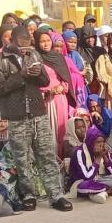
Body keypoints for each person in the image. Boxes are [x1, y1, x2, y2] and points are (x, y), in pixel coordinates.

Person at [0, 26, 72, 212]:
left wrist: (39, 74)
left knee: (47, 154)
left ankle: (56, 195)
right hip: (16, 116)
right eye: (21, 46)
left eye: (27, 46)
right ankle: (28, 194)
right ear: (12, 41)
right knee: (22, 158)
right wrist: (21, 76)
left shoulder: (33, 54)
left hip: (38, 113)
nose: (24, 49)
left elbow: (45, 82)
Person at [34, 29, 77, 158]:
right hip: (45, 100)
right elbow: (32, 82)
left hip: (59, 99)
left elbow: (66, 79)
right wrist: (47, 91)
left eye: (48, 40)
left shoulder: (58, 58)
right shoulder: (34, 58)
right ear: (36, 43)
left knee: (61, 130)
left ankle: (63, 160)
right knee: (48, 130)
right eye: (42, 41)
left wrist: (62, 86)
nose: (46, 44)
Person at [67, 126, 112, 202]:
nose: (101, 145)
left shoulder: (103, 150)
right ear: (90, 142)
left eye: (102, 142)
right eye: (98, 142)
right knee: (84, 185)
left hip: (101, 179)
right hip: (83, 182)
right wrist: (98, 158)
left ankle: (102, 192)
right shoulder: (79, 152)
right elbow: (87, 177)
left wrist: (105, 156)